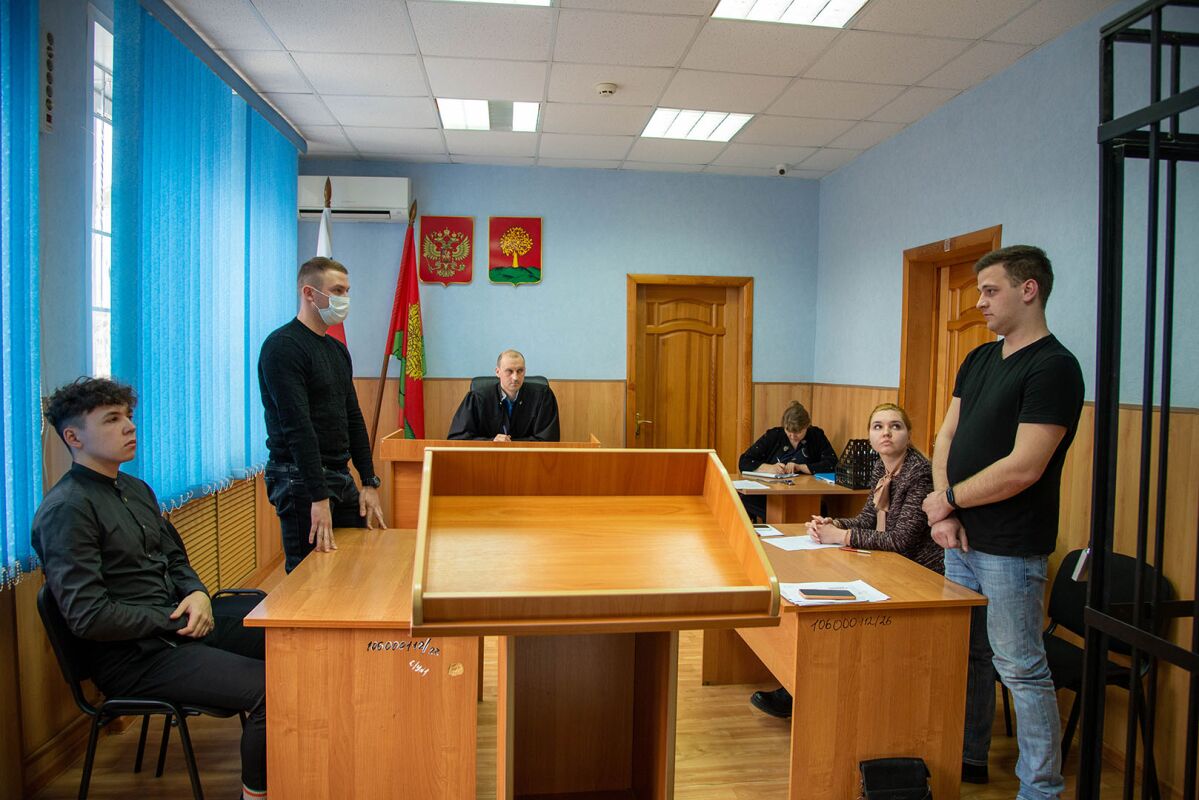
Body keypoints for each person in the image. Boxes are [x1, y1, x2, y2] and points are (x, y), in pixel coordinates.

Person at [32, 378, 267, 800]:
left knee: (289, 636)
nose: (129, 426)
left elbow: (175, 559)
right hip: (135, 657)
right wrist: (175, 618)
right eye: (112, 419)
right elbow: (89, 617)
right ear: (73, 438)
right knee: (273, 689)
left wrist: (197, 594)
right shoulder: (67, 509)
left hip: (178, 627)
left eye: (128, 416)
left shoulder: (135, 489)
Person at [921, 245, 1083, 798]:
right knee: (965, 658)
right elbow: (947, 435)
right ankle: (966, 756)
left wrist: (948, 500)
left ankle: (1040, 789)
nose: (980, 302)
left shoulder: (1054, 367)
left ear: (1028, 289)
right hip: (959, 540)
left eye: (991, 291)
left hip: (1010, 548)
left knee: (1019, 668)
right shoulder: (979, 358)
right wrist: (944, 509)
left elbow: (1023, 468)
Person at [749, 402, 941, 720]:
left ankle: (809, 694)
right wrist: (833, 524)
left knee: (833, 610)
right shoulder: (881, 468)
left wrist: (842, 537)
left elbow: (901, 541)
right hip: (888, 565)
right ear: (870, 436)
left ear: (909, 434)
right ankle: (801, 688)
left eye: (895, 426)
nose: (886, 433)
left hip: (919, 576)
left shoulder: (919, 473)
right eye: (878, 427)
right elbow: (867, 519)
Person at [258, 256, 386, 573]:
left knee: (353, 565)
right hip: (299, 478)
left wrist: (368, 481)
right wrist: (318, 497)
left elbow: (352, 417)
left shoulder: (336, 350)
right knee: (310, 574)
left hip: (339, 474)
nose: (345, 299)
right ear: (309, 293)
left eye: (347, 291)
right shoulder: (283, 347)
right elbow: (297, 427)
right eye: (337, 291)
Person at [736, 401, 837, 521]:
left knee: (819, 509)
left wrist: (801, 467)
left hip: (804, 496)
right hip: (771, 496)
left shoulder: (816, 436)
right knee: (743, 499)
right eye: (788, 432)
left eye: (798, 433)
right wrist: (769, 468)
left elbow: (832, 463)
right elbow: (744, 461)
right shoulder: (774, 435)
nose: (793, 437)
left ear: (807, 426)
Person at [447, 349, 560, 441]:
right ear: (497, 372)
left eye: (520, 371)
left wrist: (511, 445)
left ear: (525, 371)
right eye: (509, 371)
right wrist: (491, 442)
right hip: (488, 458)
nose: (515, 377)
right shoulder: (477, 398)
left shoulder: (542, 396)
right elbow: (457, 439)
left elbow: (549, 440)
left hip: (530, 459)